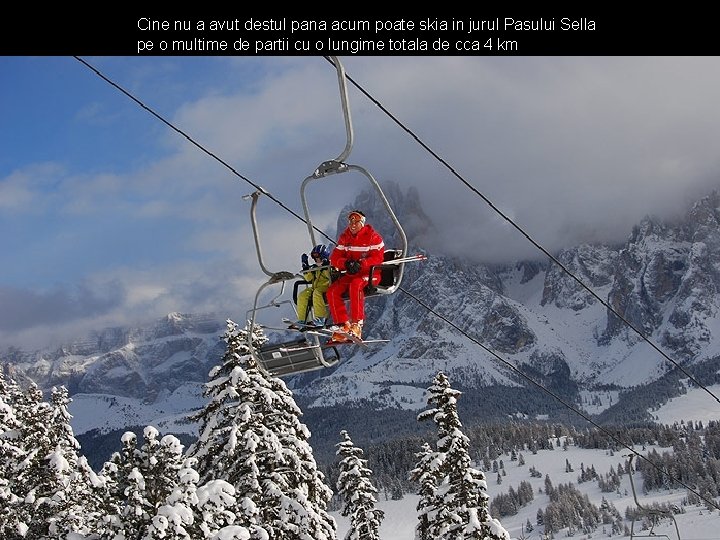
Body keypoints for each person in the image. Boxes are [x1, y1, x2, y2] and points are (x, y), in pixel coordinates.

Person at [327, 210, 385, 342]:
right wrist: (345, 263)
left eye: (356, 221)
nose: (352, 224)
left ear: (362, 223)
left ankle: (357, 324)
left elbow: (378, 258)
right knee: (333, 291)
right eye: (351, 221)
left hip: (371, 274)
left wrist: (361, 264)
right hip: (352, 274)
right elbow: (335, 257)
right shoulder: (345, 237)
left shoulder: (373, 237)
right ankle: (342, 325)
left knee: (356, 285)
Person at [294, 244, 332, 327]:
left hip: (327, 286)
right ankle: (302, 319)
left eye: (318, 258)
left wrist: (325, 266)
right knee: (302, 295)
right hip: (316, 287)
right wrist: (305, 266)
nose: (316, 260)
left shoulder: (330, 266)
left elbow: (330, 276)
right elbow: (308, 278)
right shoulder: (315, 268)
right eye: (315, 258)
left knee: (317, 293)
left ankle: (320, 318)